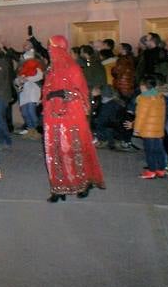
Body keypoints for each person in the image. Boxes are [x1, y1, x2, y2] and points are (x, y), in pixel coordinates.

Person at [41, 36, 106, 202]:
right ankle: (58, 187)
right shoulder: (51, 69)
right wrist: (45, 100)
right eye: (49, 48)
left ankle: (83, 183)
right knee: (54, 149)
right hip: (52, 115)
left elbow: (81, 93)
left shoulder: (73, 68)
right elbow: (46, 88)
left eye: (52, 48)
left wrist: (62, 94)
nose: (50, 51)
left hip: (71, 115)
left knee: (73, 149)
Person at [133, 76, 168, 179]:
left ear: (143, 86)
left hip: (148, 129)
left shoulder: (144, 98)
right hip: (158, 129)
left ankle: (151, 170)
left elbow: (141, 115)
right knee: (158, 150)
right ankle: (161, 169)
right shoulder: (160, 97)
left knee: (150, 151)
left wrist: (136, 129)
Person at [15, 48, 44, 135]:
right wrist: (19, 81)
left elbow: (39, 77)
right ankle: (29, 128)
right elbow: (17, 79)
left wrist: (26, 79)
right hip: (24, 92)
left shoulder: (37, 67)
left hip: (33, 92)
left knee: (31, 111)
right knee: (24, 112)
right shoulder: (22, 68)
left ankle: (35, 129)